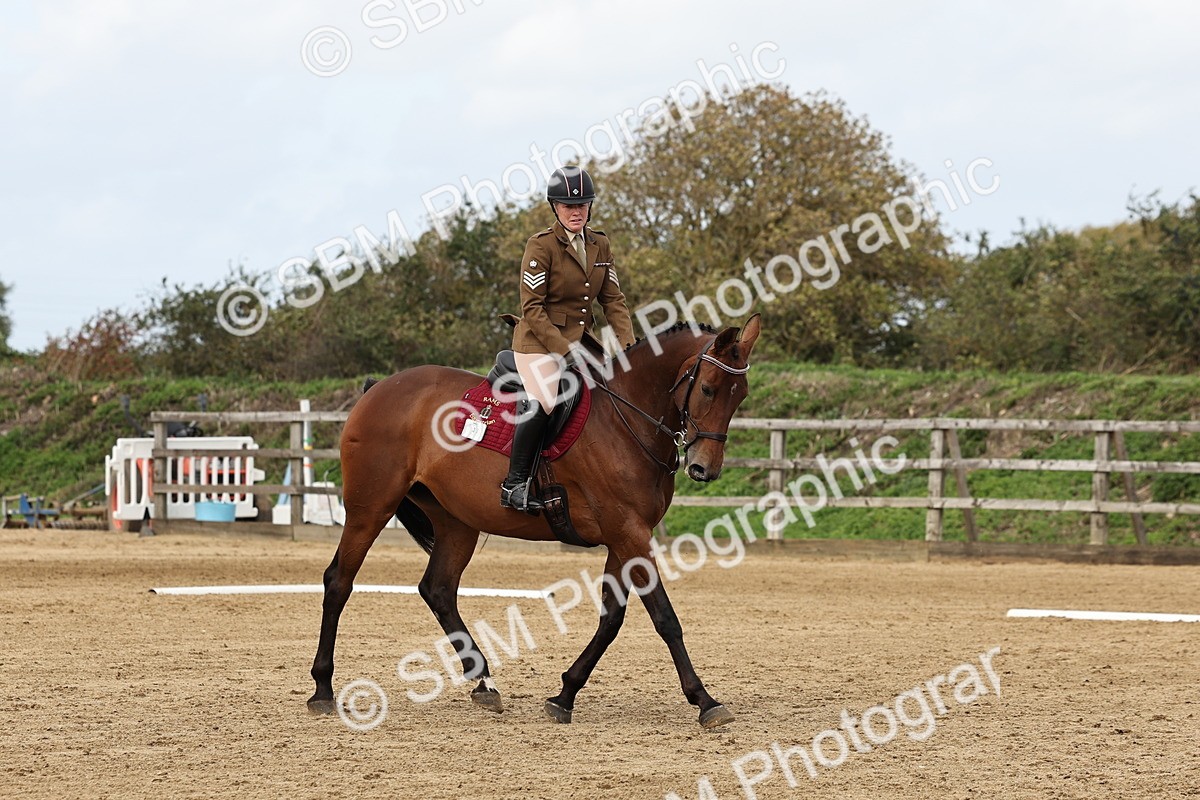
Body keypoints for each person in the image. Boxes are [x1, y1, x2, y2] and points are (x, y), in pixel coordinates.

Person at [499, 165, 636, 511]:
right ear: (555, 208)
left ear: (590, 207)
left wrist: (630, 348)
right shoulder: (541, 246)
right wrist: (564, 351)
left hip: (581, 341)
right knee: (546, 399)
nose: (576, 212)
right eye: (568, 206)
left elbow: (614, 302)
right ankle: (514, 485)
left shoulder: (600, 244)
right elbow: (532, 309)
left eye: (582, 205)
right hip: (538, 342)